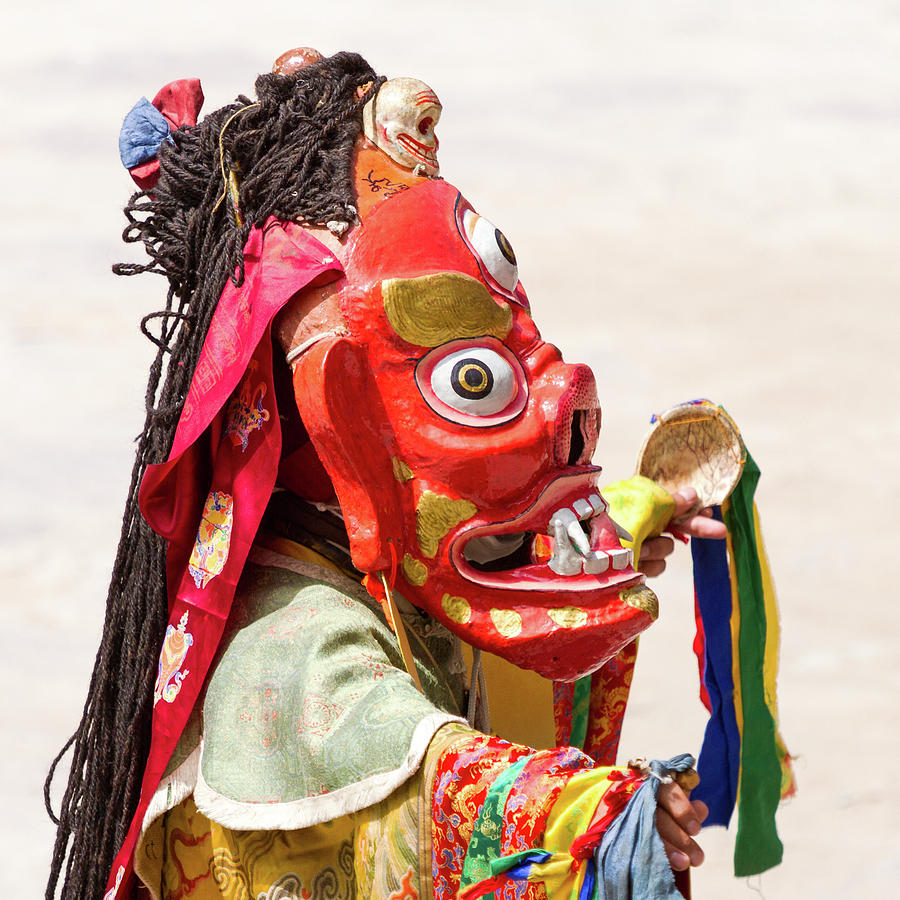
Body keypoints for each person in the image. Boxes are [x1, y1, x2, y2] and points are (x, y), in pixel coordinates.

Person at [45, 49, 724, 900]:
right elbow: (438, 771)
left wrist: (634, 514)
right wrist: (602, 818)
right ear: (334, 408)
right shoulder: (290, 647)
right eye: (468, 380)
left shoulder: (360, 557)